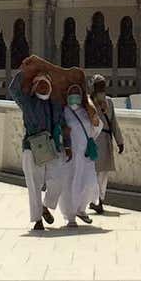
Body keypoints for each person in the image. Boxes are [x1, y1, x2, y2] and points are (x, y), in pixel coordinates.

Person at [7, 55, 82, 231]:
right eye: (40, 85)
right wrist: (23, 70)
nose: (43, 87)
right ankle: (37, 220)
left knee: (57, 180)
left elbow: (64, 126)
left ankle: (46, 206)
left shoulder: (55, 105)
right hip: (32, 147)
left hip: (52, 147)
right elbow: (14, 90)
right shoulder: (28, 103)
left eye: (45, 85)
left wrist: (68, 145)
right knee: (34, 184)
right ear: (34, 87)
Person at [58, 81, 101, 228]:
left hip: (85, 156)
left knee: (89, 184)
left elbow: (96, 127)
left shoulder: (86, 111)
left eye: (77, 93)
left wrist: (93, 111)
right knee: (69, 186)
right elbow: (58, 130)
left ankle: (81, 209)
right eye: (72, 93)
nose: (74, 96)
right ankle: (71, 217)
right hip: (69, 156)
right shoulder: (63, 112)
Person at [89, 75, 125, 215]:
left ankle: (99, 200)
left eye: (102, 86)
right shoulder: (89, 102)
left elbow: (114, 123)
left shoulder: (109, 102)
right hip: (94, 139)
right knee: (94, 172)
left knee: (103, 173)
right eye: (98, 86)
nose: (101, 89)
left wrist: (119, 141)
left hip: (106, 139)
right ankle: (95, 200)